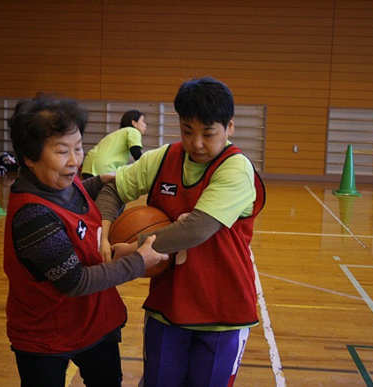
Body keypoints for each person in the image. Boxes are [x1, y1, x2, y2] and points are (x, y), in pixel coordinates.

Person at [96, 77, 266, 386]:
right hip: (168, 305)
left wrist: (134, 250)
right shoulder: (163, 158)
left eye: (208, 133)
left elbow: (197, 228)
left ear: (230, 127)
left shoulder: (236, 168)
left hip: (223, 310)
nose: (197, 143)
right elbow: (111, 190)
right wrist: (105, 234)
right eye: (188, 131)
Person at [3, 94, 168, 387]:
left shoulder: (63, 180)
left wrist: (97, 182)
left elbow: (76, 190)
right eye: (61, 151)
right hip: (45, 336)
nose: (74, 160)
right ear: (29, 157)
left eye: (78, 148)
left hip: (92, 324)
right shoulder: (33, 216)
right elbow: (75, 282)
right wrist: (138, 262)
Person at [80, 110, 147, 179]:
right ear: (134, 123)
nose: (145, 125)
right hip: (103, 166)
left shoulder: (118, 133)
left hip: (87, 165)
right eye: (143, 121)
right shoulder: (133, 131)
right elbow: (135, 151)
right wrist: (145, 168)